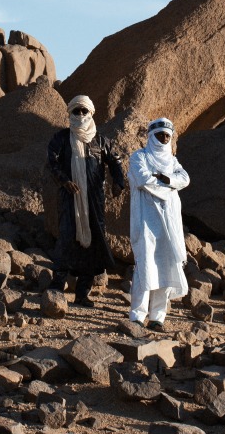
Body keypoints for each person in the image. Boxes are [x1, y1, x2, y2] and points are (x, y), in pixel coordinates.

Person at [45, 95, 125, 306]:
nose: (80, 115)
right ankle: (56, 286)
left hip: (94, 201)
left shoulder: (101, 141)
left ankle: (83, 292)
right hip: (68, 198)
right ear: (70, 113)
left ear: (91, 113)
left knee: (93, 242)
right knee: (66, 237)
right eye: (76, 111)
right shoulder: (61, 138)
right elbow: (52, 163)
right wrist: (64, 181)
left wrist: (119, 183)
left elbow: (115, 162)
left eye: (84, 111)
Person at [127, 117, 190, 331]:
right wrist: (169, 184)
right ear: (150, 136)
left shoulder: (173, 161)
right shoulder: (139, 156)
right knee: (145, 264)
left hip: (169, 222)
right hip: (146, 219)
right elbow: (143, 179)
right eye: (159, 135)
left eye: (167, 136)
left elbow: (185, 178)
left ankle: (157, 318)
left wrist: (167, 179)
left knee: (165, 266)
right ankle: (137, 315)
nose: (163, 139)